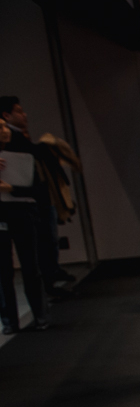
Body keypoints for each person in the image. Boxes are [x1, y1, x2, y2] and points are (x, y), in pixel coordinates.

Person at [1, 96, 76, 294]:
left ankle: (47, 284)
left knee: (41, 247)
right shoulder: (15, 143)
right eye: (18, 111)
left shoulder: (19, 140)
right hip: (19, 205)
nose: (4, 132)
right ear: (6, 116)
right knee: (32, 254)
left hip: (29, 200)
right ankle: (46, 287)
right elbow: (27, 168)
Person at [0, 120, 48, 333]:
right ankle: (10, 321)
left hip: (22, 213)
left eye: (4, 126)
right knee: (3, 271)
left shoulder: (24, 156)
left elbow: (38, 189)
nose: (4, 130)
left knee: (31, 267)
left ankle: (40, 315)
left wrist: (12, 188)